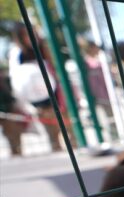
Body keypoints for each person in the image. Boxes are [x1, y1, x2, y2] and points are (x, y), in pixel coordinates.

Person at [8, 22, 76, 152]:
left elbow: (57, 71)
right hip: (40, 103)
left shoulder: (45, 49)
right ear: (20, 37)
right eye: (26, 35)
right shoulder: (18, 54)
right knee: (53, 136)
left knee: (70, 131)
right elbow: (17, 80)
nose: (31, 36)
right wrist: (26, 104)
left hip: (58, 97)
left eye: (33, 33)